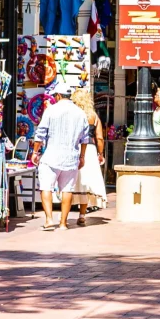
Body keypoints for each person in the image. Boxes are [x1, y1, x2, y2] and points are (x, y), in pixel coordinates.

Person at [32, 82, 90, 231]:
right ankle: (63, 223)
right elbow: (85, 138)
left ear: (57, 95)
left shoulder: (51, 110)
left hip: (51, 157)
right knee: (67, 190)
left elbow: (40, 133)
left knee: (46, 187)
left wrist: (35, 152)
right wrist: (82, 156)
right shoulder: (80, 113)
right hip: (71, 157)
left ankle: (49, 219)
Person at [69, 89, 107, 224]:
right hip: (89, 150)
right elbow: (100, 138)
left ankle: (65, 214)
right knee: (85, 182)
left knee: (71, 182)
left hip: (73, 148)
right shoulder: (94, 116)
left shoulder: (72, 114)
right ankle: (82, 215)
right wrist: (100, 154)